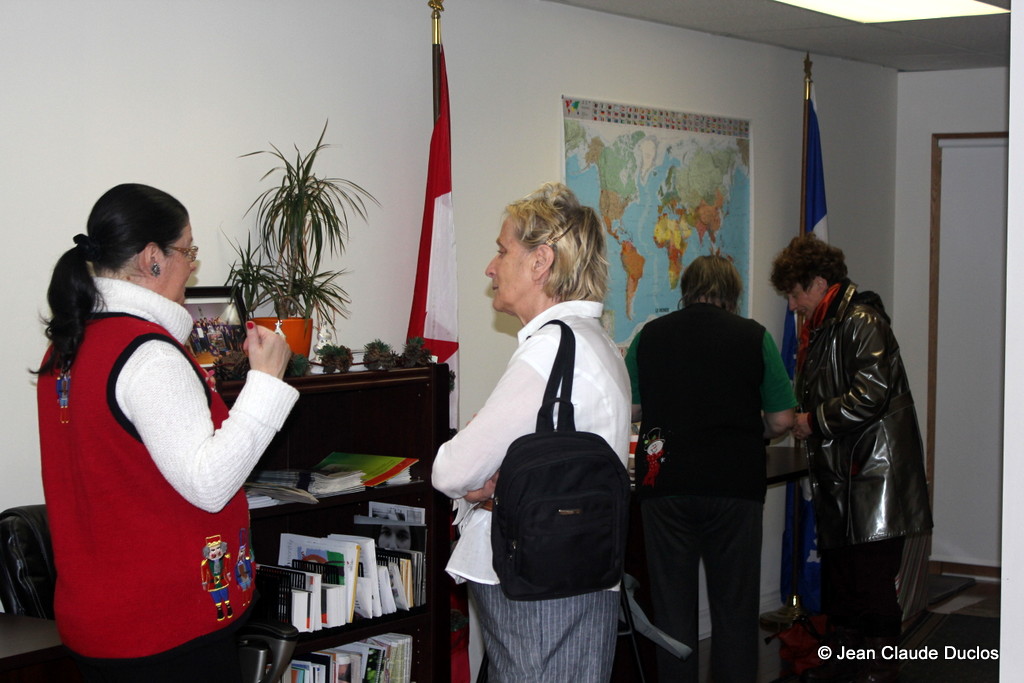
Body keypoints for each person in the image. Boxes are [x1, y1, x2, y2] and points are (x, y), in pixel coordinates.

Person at [35, 183, 299, 682]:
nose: (192, 267)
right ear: (153, 258)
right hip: (165, 629)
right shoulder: (149, 354)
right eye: (188, 252)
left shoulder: (69, 343)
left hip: (100, 621)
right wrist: (266, 382)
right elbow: (209, 483)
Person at [432, 182, 631, 682]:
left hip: (539, 583)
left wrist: (484, 481)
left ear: (541, 261)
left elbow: (452, 470)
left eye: (503, 251)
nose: (491, 267)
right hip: (579, 568)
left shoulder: (549, 351)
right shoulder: (596, 341)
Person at [625, 254, 796, 682]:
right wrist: (748, 429)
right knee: (735, 609)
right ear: (733, 294)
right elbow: (782, 421)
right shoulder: (754, 337)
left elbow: (630, 407)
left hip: (664, 483)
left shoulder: (649, 336)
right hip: (734, 486)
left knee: (671, 611)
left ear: (687, 290)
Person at [770, 233, 933, 683]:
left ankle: (877, 670)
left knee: (871, 585)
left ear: (820, 283)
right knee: (844, 583)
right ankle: (846, 665)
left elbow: (871, 395)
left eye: (795, 294)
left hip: (874, 479)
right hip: (847, 477)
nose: (792, 306)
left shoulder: (860, 321)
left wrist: (812, 421)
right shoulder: (827, 326)